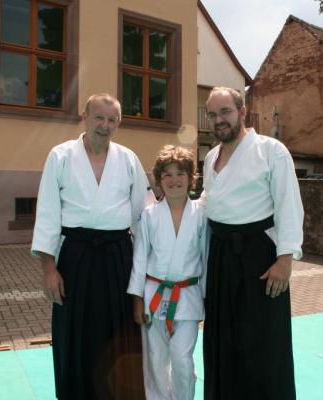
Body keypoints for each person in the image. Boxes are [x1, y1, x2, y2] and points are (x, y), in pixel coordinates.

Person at [31, 93, 154, 400]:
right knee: (75, 331)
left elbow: (142, 216)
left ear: (119, 124)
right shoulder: (60, 156)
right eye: (99, 117)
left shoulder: (128, 159)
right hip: (75, 255)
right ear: (84, 118)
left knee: (119, 331)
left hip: (117, 256)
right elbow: (47, 214)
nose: (105, 125)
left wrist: (146, 275)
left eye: (112, 120)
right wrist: (49, 269)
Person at [201, 87, 304, 400]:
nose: (219, 120)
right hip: (220, 256)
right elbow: (208, 204)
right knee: (222, 339)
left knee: (262, 342)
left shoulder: (271, 150)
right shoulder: (209, 157)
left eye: (226, 112)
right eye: (213, 114)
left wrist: (285, 260)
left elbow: (289, 205)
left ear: (242, 112)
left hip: (259, 258)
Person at [127, 145, 207, 400]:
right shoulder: (149, 215)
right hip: (154, 295)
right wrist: (137, 298)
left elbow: (206, 258)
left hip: (189, 295)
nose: (174, 180)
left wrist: (206, 299)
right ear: (159, 181)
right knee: (156, 360)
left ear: (191, 178)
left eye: (181, 173)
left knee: (182, 359)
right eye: (168, 175)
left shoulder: (202, 215)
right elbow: (139, 257)